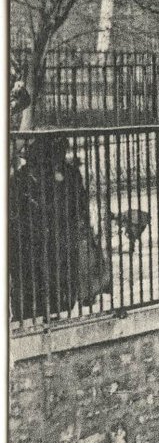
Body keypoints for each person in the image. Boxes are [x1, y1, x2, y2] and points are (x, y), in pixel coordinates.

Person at [9, 135, 103, 321]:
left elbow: (79, 207)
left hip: (51, 245)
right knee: (36, 292)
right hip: (35, 247)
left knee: (52, 291)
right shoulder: (22, 179)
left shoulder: (66, 175)